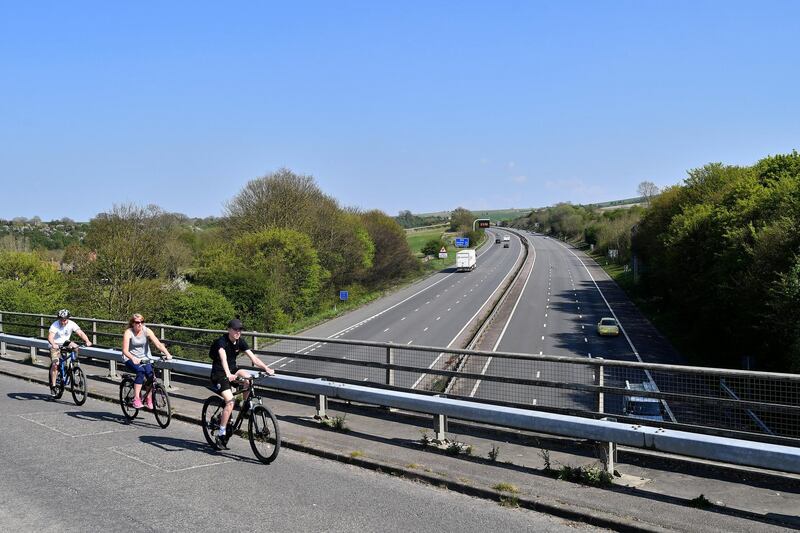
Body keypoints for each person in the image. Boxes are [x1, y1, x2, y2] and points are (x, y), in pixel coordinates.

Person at [209, 318, 275, 449]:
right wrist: (228, 373)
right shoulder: (221, 342)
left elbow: (254, 358)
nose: (238, 332)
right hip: (220, 374)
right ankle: (221, 433)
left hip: (233, 371)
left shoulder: (240, 342)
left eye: (240, 330)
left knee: (248, 377)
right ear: (229, 330)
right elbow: (223, 357)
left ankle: (246, 406)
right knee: (230, 401)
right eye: (235, 329)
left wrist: (266, 368)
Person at [121, 314, 172, 409]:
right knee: (140, 371)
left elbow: (158, 344)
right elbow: (125, 350)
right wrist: (133, 358)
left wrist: (167, 354)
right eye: (137, 322)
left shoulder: (146, 330)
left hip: (145, 358)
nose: (140, 324)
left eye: (142, 322)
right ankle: (136, 399)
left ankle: (148, 398)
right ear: (132, 323)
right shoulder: (128, 332)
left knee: (150, 376)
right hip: (130, 358)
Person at [48, 309, 92, 396]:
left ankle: (75, 366)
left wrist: (87, 341)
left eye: (65, 319)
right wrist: (53, 344)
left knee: (75, 347)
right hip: (55, 344)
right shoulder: (55, 325)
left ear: (68, 318)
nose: (63, 321)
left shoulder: (72, 323)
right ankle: (53, 386)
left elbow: (80, 333)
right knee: (55, 365)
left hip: (66, 343)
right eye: (61, 319)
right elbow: (50, 337)